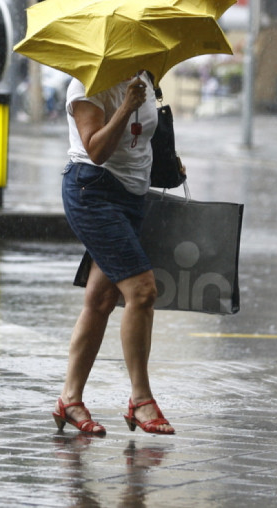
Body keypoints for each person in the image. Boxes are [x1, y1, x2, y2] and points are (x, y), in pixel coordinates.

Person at [52, 71, 175, 436]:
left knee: (101, 299)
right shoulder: (86, 86)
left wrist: (169, 163)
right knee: (142, 292)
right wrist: (125, 107)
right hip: (93, 192)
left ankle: (69, 400)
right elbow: (96, 150)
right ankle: (141, 399)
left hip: (132, 198)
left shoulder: (143, 79)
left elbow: (145, 139)